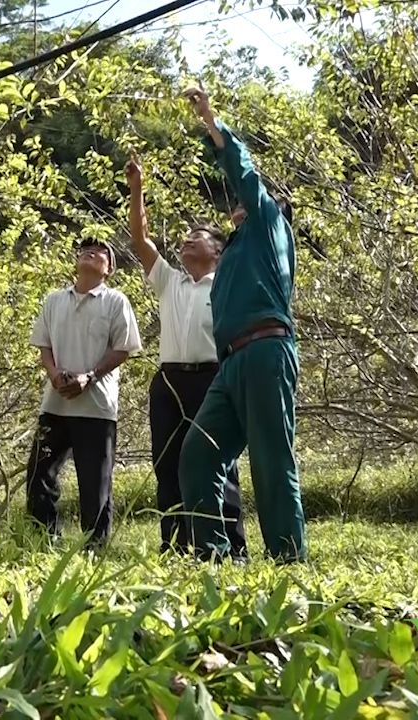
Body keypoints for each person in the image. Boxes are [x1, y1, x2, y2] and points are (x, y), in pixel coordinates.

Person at [177, 86, 307, 564]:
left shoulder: (270, 223)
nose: (236, 199)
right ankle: (214, 558)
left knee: (272, 463)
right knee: (198, 455)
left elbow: (243, 170)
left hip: (265, 352)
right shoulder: (234, 250)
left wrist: (212, 122)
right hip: (230, 365)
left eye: (246, 196)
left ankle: (288, 565)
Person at [124, 156, 248, 558]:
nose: (187, 240)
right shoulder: (169, 281)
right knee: (168, 463)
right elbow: (139, 240)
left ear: (217, 250)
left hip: (213, 380)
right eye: (186, 237)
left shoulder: (228, 282)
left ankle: (230, 544)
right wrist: (137, 188)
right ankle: (174, 544)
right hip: (169, 383)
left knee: (219, 461)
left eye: (198, 236)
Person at [25, 238, 143, 550]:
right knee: (40, 475)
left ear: (110, 268)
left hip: (97, 407)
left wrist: (89, 377)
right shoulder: (54, 300)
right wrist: (54, 375)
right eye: (85, 250)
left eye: (102, 252)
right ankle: (43, 539)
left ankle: (95, 547)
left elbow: (123, 349)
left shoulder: (116, 301)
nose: (91, 253)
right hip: (55, 404)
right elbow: (44, 345)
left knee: (94, 483)